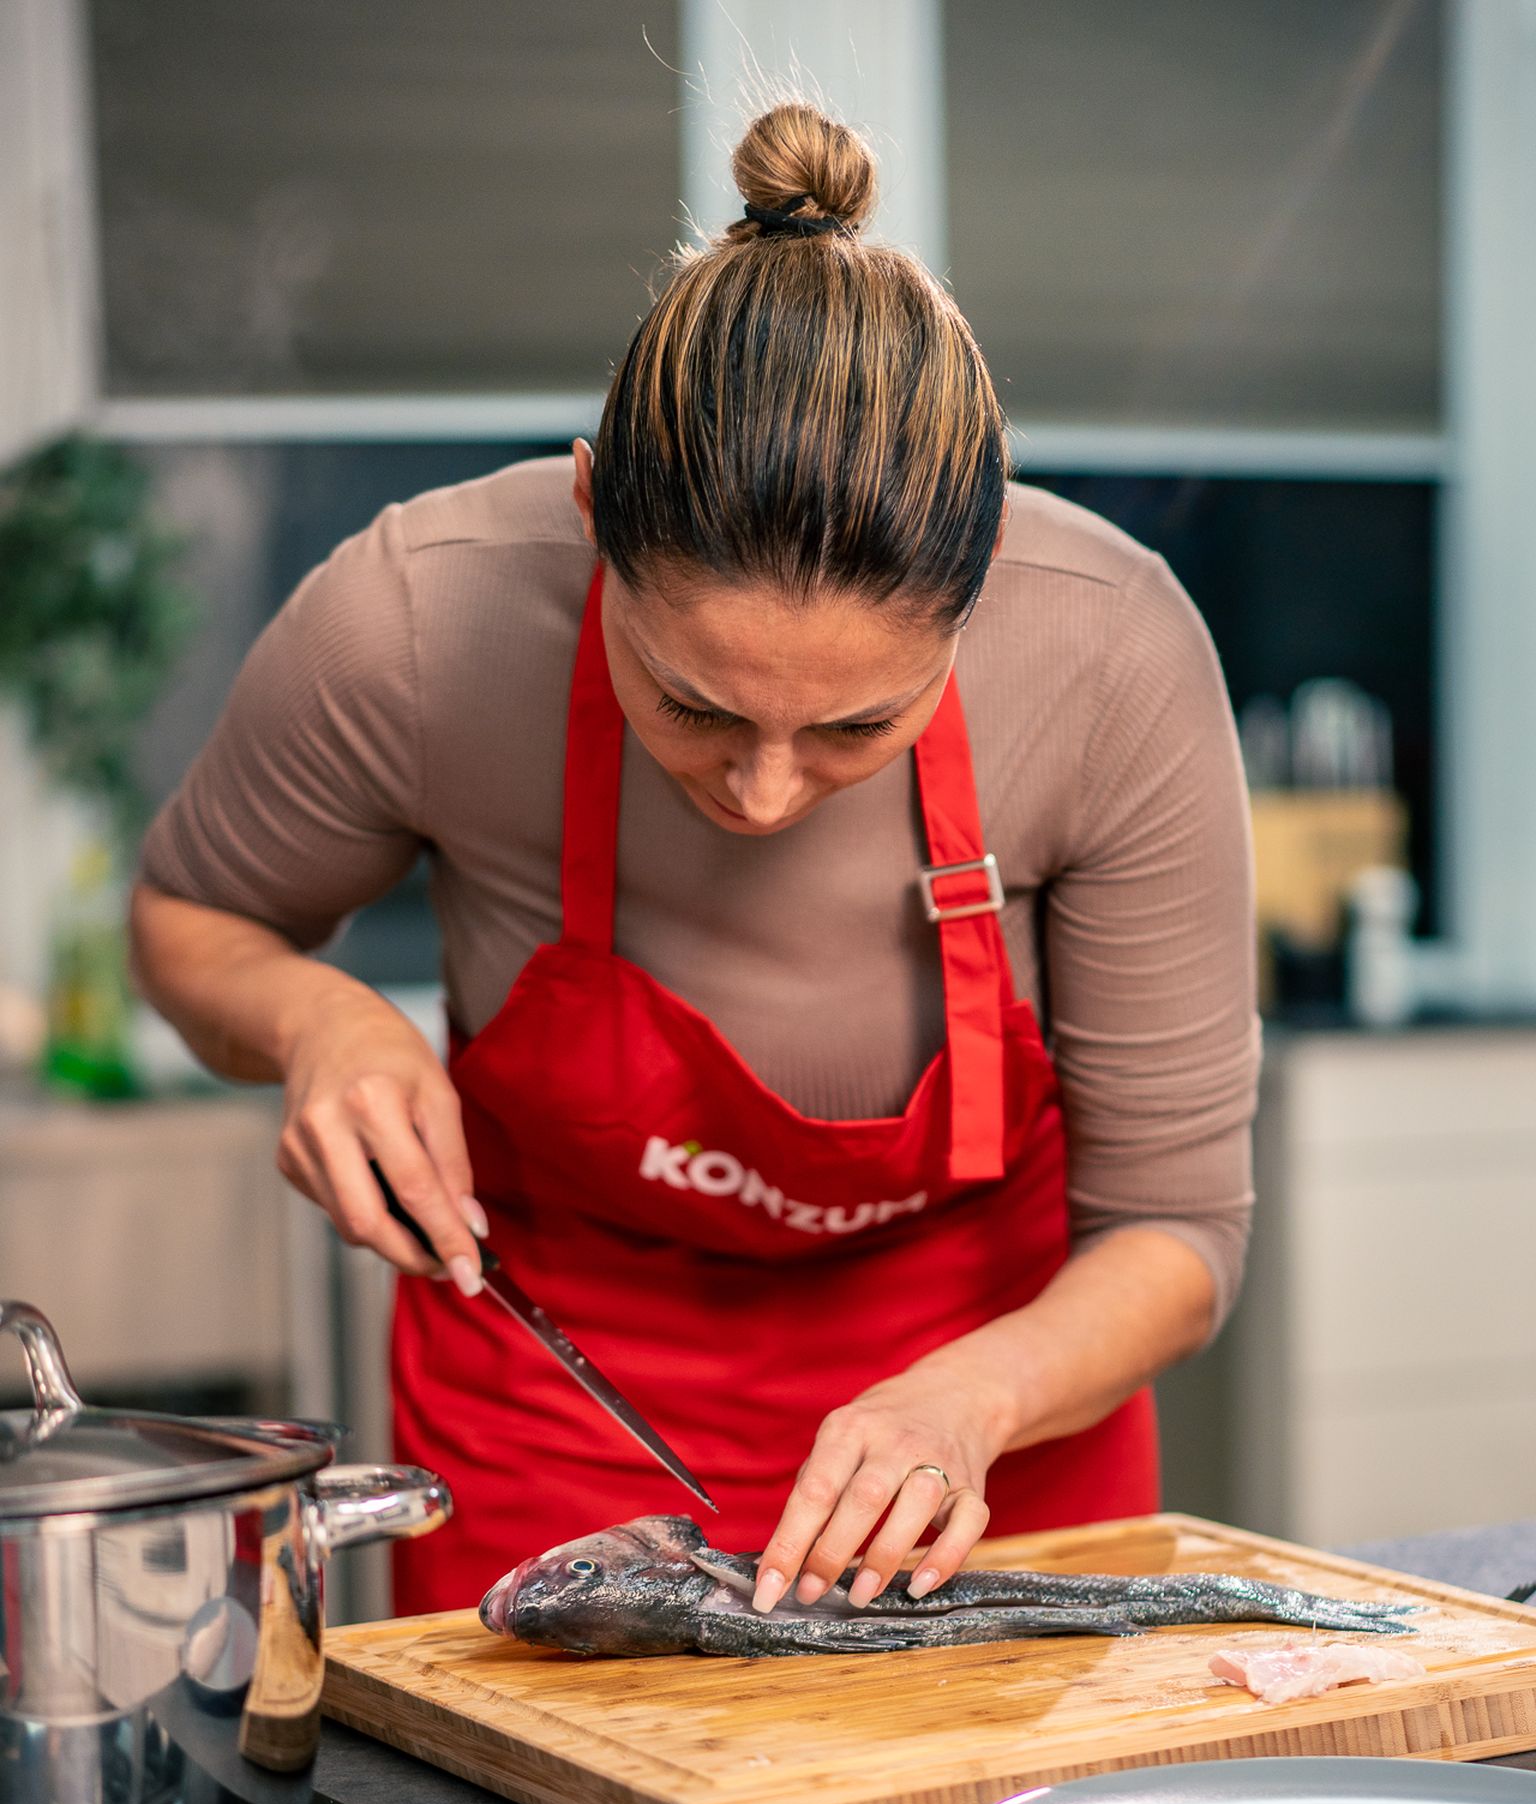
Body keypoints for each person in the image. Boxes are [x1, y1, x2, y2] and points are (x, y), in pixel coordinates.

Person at [131, 102, 1258, 1619]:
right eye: (694, 705)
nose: (766, 793)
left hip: (993, 1433)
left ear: (980, 584)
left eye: (857, 726)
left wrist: (971, 1403)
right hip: (556, 1421)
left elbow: (1177, 1236)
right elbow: (190, 922)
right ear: (592, 511)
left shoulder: (1114, 660)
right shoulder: (411, 626)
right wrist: (317, 1020)